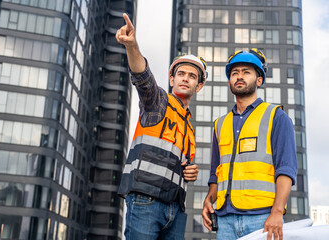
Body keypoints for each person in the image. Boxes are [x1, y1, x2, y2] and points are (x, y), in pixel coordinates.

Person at [116, 13, 206, 239]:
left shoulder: (190, 130)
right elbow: (142, 77)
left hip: (176, 208)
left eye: (192, 76)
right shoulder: (157, 102)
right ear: (172, 78)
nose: (185, 78)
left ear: (199, 85)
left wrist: (190, 172)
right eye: (181, 74)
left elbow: (180, 165)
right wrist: (132, 46)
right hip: (146, 201)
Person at [202, 49, 298, 240]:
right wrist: (209, 199)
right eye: (235, 73)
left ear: (259, 80)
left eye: (246, 72)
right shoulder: (220, 124)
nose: (239, 76)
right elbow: (216, 173)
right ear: (230, 81)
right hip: (225, 220)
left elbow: (286, 169)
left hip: (263, 218)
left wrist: (277, 212)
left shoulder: (276, 117)